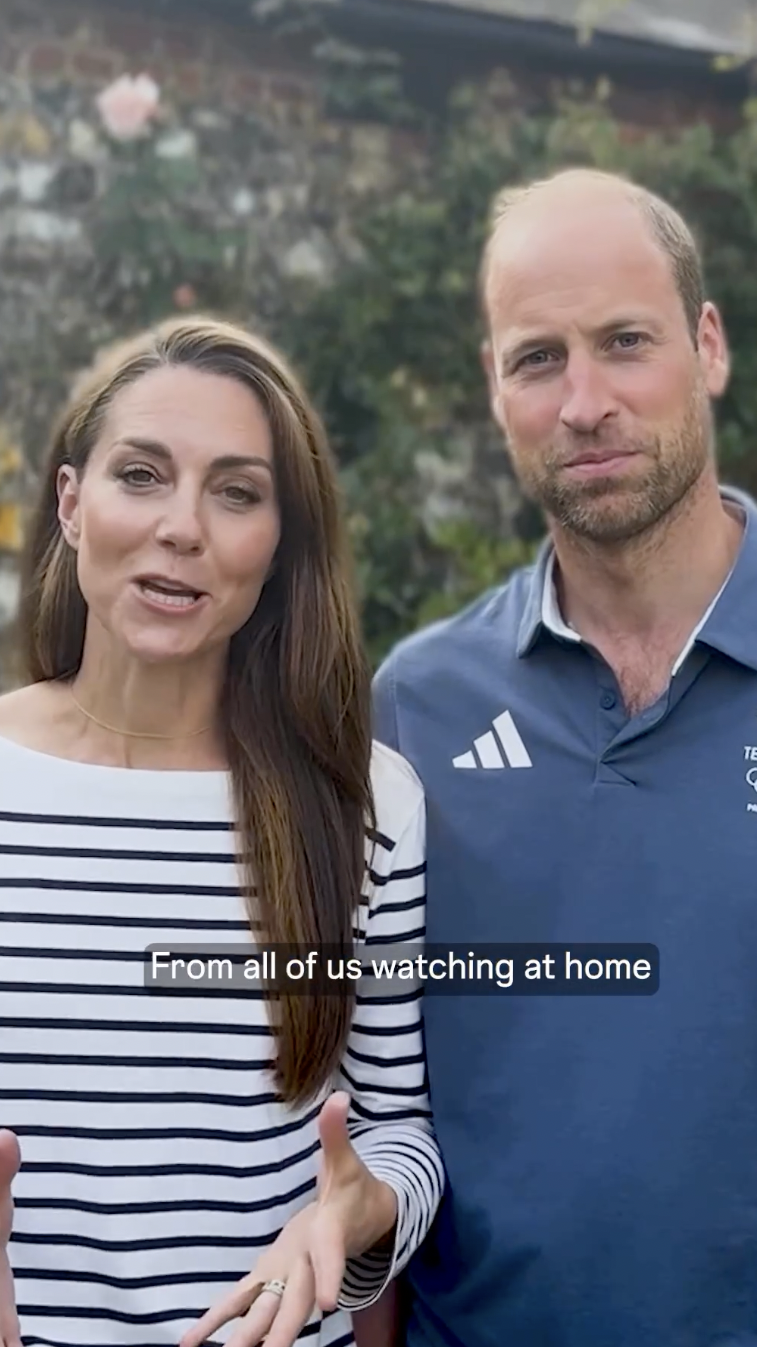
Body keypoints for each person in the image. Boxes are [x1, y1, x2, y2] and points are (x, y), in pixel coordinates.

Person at [373, 168, 757, 1347]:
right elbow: (372, 1092)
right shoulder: (416, 706)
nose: (585, 401)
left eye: (624, 342)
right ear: (493, 388)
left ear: (707, 345)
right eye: (537, 357)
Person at [0, 315, 442, 1347]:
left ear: (278, 545)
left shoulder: (366, 805)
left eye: (237, 492)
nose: (182, 527)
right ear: (71, 503)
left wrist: (354, 1209)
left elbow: (400, 1138)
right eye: (141, 475)